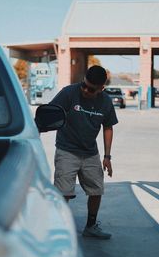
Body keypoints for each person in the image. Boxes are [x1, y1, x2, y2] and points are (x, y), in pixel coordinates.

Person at [50, 65, 118, 240]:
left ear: (101, 88)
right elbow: (50, 113)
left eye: (91, 89)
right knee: (63, 193)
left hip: (90, 152)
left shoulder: (105, 101)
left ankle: (91, 226)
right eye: (84, 85)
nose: (86, 90)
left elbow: (108, 127)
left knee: (96, 190)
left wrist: (107, 156)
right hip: (67, 150)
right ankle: (59, 228)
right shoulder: (69, 93)